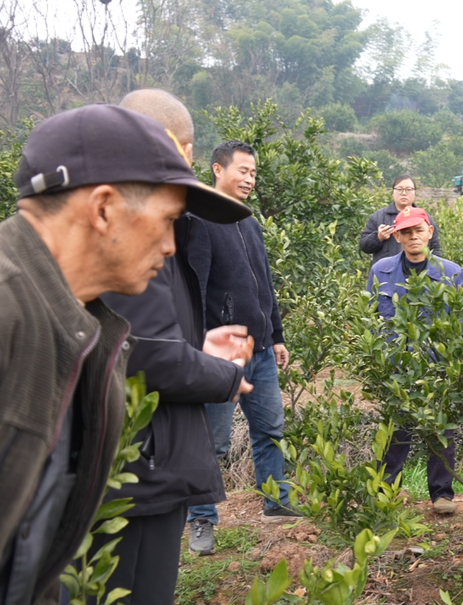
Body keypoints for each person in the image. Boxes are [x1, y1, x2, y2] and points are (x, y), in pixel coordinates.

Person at [0, 103, 242, 604]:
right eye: (168, 219)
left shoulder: (77, 326)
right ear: (104, 207)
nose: (173, 245)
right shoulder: (10, 316)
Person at [82, 90, 255, 603]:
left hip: (146, 462)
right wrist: (224, 375)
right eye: (188, 147)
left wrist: (198, 346)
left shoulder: (146, 226)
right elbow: (145, 357)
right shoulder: (127, 232)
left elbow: (135, 337)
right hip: (137, 467)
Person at [186, 141, 299, 555]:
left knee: (270, 430)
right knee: (210, 442)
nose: (250, 179)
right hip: (222, 355)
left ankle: (276, 501)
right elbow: (194, 290)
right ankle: (201, 518)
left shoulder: (249, 222)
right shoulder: (199, 220)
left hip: (263, 350)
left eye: (254, 173)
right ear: (218, 169)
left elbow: (265, 285)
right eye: (243, 171)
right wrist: (200, 349)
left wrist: (277, 334)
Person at [369, 206, 463, 515]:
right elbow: (371, 318)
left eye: (418, 231)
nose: (413, 237)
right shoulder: (381, 270)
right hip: (397, 369)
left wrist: (460, 362)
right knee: (396, 432)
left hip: (438, 367)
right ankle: (387, 492)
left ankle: (442, 495)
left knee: (440, 431)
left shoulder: (452, 272)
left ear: (430, 232)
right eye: (406, 232)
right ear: (397, 236)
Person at [360, 174, 441, 265]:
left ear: (415, 193)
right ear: (393, 192)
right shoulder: (378, 217)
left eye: (409, 189)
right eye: (399, 189)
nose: (404, 193)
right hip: (386, 273)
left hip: (417, 273)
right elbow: (364, 246)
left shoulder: (424, 218)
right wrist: (378, 237)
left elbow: (435, 249)